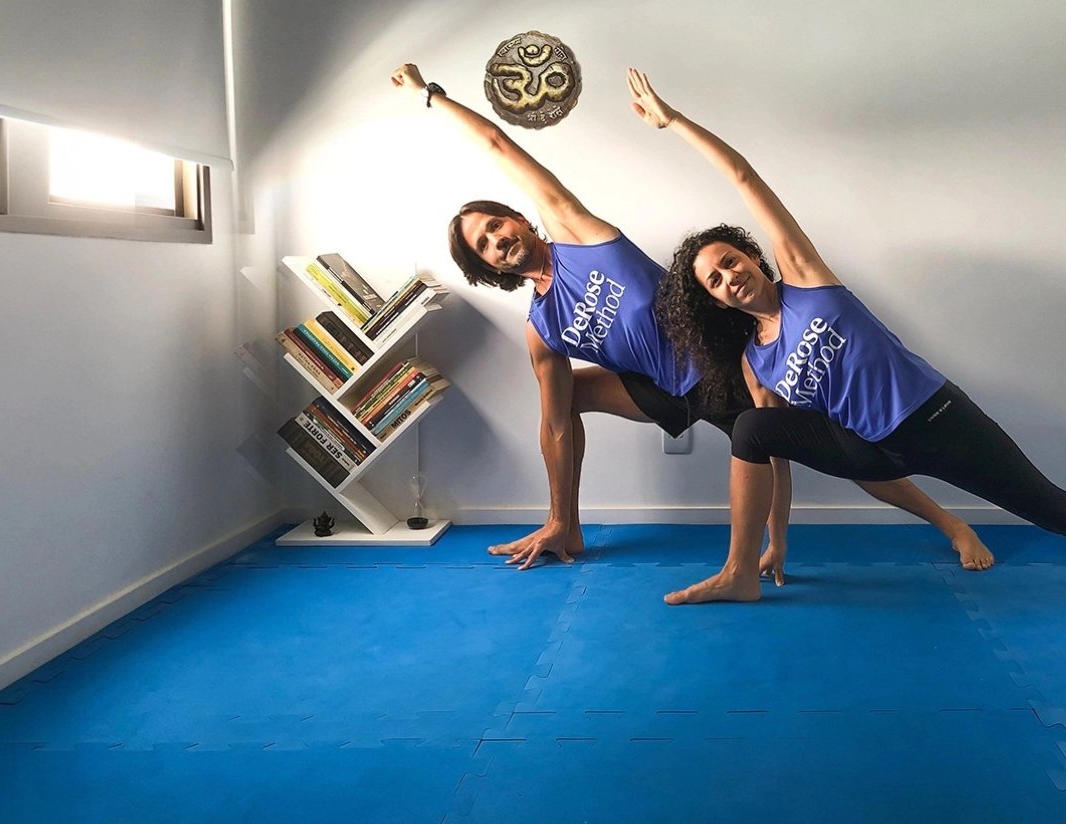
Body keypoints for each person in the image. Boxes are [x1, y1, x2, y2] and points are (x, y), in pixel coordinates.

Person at [628, 68, 1066, 613]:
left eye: (731, 261)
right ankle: (739, 572)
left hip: (936, 420)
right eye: (715, 280)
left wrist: (673, 122)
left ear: (753, 257)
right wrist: (776, 541)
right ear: (716, 300)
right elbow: (774, 458)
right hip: (869, 449)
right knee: (753, 427)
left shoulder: (807, 280)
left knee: (1054, 510)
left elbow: (743, 177)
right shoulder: (756, 358)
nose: (730, 277)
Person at [391, 62, 996, 577]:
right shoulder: (541, 325)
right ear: (486, 267)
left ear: (521, 221)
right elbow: (552, 426)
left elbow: (500, 145)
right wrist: (555, 514)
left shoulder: (580, 234)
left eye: (497, 226)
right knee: (563, 396)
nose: (497, 240)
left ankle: (950, 525)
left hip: (718, 361)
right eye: (484, 245)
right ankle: (565, 529)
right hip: (663, 388)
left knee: (842, 452)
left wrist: (432, 96)